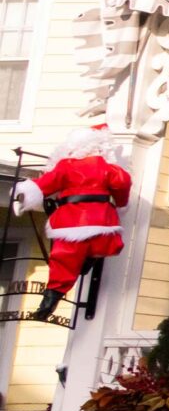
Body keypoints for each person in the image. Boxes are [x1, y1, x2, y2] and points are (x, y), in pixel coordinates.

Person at [12, 127, 133, 323]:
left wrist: (23, 197)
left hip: (71, 220)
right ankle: (86, 263)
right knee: (105, 246)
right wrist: (121, 203)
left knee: (64, 261)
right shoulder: (109, 168)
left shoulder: (66, 166)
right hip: (103, 221)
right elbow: (123, 183)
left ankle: (49, 300)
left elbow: (44, 184)